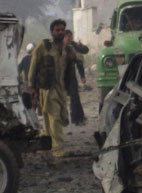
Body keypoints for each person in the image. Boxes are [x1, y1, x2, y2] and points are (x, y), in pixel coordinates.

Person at [28, 19, 76, 157]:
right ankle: (58, 149)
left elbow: (78, 59)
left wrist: (72, 51)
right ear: (52, 32)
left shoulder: (66, 48)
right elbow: (33, 66)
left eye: (62, 30)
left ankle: (48, 144)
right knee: (55, 117)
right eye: (57, 30)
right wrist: (31, 87)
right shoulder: (44, 46)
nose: (60, 32)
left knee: (53, 117)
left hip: (61, 89)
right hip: (48, 89)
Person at [63, 29, 89, 125]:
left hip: (70, 75)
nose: (69, 38)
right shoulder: (57, 46)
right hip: (59, 76)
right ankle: (63, 120)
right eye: (67, 37)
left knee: (74, 97)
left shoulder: (73, 45)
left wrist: (82, 75)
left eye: (70, 36)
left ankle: (77, 119)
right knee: (61, 99)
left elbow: (84, 52)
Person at [17, 42, 35, 109]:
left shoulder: (25, 58)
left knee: (26, 105)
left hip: (27, 85)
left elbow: (18, 70)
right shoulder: (37, 59)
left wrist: (20, 80)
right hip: (36, 85)